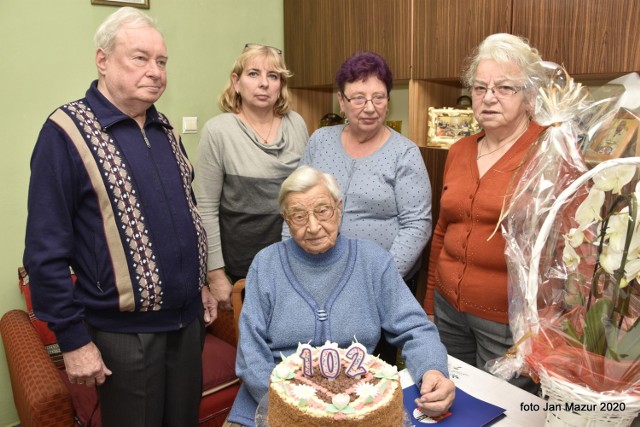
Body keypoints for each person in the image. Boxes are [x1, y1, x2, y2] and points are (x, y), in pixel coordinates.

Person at [23, 8, 214, 426]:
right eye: (140, 58)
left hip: (187, 327)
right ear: (103, 60)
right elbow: (44, 250)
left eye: (161, 61)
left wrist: (199, 285)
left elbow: (189, 218)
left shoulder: (166, 131)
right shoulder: (65, 132)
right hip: (124, 336)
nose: (156, 71)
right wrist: (73, 340)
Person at [225, 166, 454, 427]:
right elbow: (250, 354)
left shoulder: (373, 261)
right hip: (269, 400)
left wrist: (433, 370)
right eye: (299, 216)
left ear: (338, 207)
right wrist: (290, 409)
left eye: (323, 211)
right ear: (286, 220)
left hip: (357, 406)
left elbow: (416, 328)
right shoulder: (266, 264)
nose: (313, 227)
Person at [423, 33, 546, 392]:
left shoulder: (547, 152)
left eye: (505, 88)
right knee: (452, 399)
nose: (489, 97)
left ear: (529, 97)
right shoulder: (460, 149)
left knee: (503, 406)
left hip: (507, 323)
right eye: (480, 88)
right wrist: (430, 301)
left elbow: (565, 254)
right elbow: (443, 231)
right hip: (449, 309)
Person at [196, 43, 308, 309]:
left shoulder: (297, 124)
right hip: (240, 270)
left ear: (281, 85)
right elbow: (206, 209)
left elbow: (306, 195)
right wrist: (216, 274)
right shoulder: (218, 131)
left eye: (273, 76)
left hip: (294, 261)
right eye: (254, 74)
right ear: (236, 82)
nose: (264, 84)